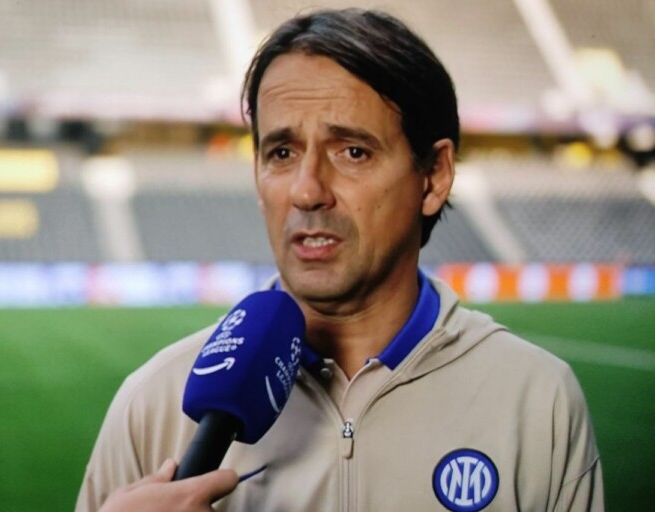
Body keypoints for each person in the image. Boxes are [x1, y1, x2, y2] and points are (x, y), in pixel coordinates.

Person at [77, 8, 603, 512]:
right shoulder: (153, 403)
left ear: (434, 176)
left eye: (352, 152)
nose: (307, 191)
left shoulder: (536, 400)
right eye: (281, 153)